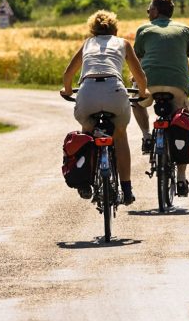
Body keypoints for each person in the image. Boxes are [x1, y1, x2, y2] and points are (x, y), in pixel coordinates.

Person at [61, 10, 148, 205]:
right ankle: (126, 189)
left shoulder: (87, 44)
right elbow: (140, 76)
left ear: (92, 29)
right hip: (114, 90)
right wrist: (143, 93)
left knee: (87, 132)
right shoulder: (123, 43)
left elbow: (68, 74)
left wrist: (67, 91)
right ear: (115, 29)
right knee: (120, 134)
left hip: (87, 92)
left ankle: (85, 181)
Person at [132, 0, 189, 198]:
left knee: (137, 104)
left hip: (149, 84)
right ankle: (181, 177)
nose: (148, 12)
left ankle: (147, 137)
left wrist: (135, 82)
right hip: (177, 86)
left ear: (156, 11)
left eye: (149, 9)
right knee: (183, 122)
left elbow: (136, 61)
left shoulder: (143, 30)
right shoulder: (184, 30)